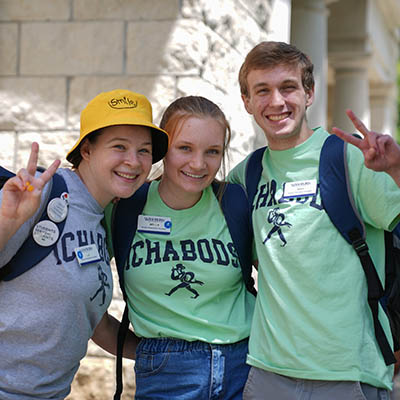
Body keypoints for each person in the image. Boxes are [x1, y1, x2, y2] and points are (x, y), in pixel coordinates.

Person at [228, 41, 400, 400]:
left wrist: (397, 171)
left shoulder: (351, 158)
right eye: (263, 90)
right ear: (247, 102)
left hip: (348, 372)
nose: (276, 102)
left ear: (309, 93)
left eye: (288, 87)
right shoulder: (246, 175)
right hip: (267, 372)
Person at [0, 89, 168, 400]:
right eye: (120, 146)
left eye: (144, 150)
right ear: (87, 150)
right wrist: (8, 220)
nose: (134, 162)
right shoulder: (39, 193)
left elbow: (93, 321)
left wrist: (158, 354)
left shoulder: (103, 219)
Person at [109, 96, 256, 399]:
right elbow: (77, 293)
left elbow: (283, 281)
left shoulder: (235, 203)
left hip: (245, 367)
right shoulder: (124, 207)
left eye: (212, 151)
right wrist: (152, 354)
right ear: (163, 149)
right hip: (165, 374)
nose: (199, 164)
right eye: (185, 148)